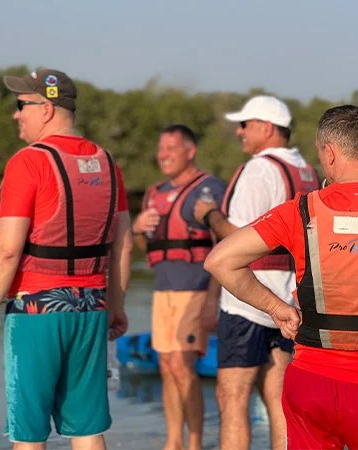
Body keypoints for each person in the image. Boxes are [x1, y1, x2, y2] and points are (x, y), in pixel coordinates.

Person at [204, 105, 358, 449]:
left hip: (310, 384)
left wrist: (274, 307)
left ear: (329, 152)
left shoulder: (300, 211)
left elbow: (219, 261)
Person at [0, 68, 133, 450]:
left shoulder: (28, 162)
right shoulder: (108, 163)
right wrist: (117, 306)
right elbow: (124, 244)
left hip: (36, 308)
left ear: (46, 109)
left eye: (21, 105)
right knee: (87, 428)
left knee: (29, 432)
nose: (16, 114)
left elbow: (7, 250)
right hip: (92, 308)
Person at [192, 95, 318, 450]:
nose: (238, 132)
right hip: (291, 298)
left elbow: (237, 237)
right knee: (279, 397)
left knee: (232, 396)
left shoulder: (259, 169)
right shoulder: (306, 170)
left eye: (245, 125)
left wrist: (209, 216)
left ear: (266, 128)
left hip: (250, 299)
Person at [131, 124, 225, 450]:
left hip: (196, 289)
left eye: (171, 148)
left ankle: (195, 442)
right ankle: (174, 441)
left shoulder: (210, 188)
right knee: (167, 365)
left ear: (190, 151)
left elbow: (224, 246)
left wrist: (214, 299)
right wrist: (138, 228)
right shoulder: (154, 192)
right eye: (161, 149)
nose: (164, 155)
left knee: (184, 366)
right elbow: (148, 248)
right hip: (164, 290)